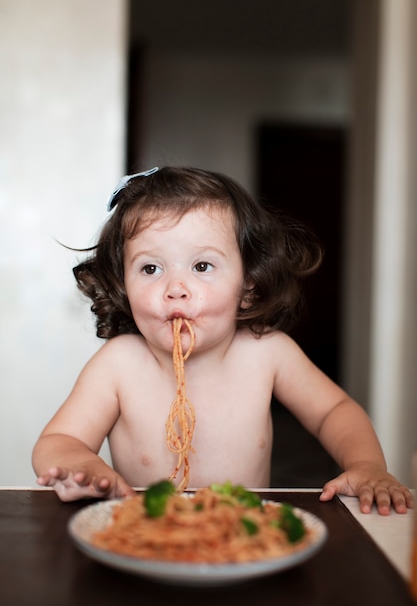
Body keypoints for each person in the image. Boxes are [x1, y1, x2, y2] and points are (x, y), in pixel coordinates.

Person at [32, 166, 414, 515]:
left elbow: (335, 411)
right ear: (123, 286)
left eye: (202, 266)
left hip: (241, 540)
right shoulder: (119, 364)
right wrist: (81, 465)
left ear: (247, 286)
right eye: (150, 268)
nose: (175, 289)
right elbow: (59, 439)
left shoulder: (267, 353)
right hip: (146, 536)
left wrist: (366, 466)